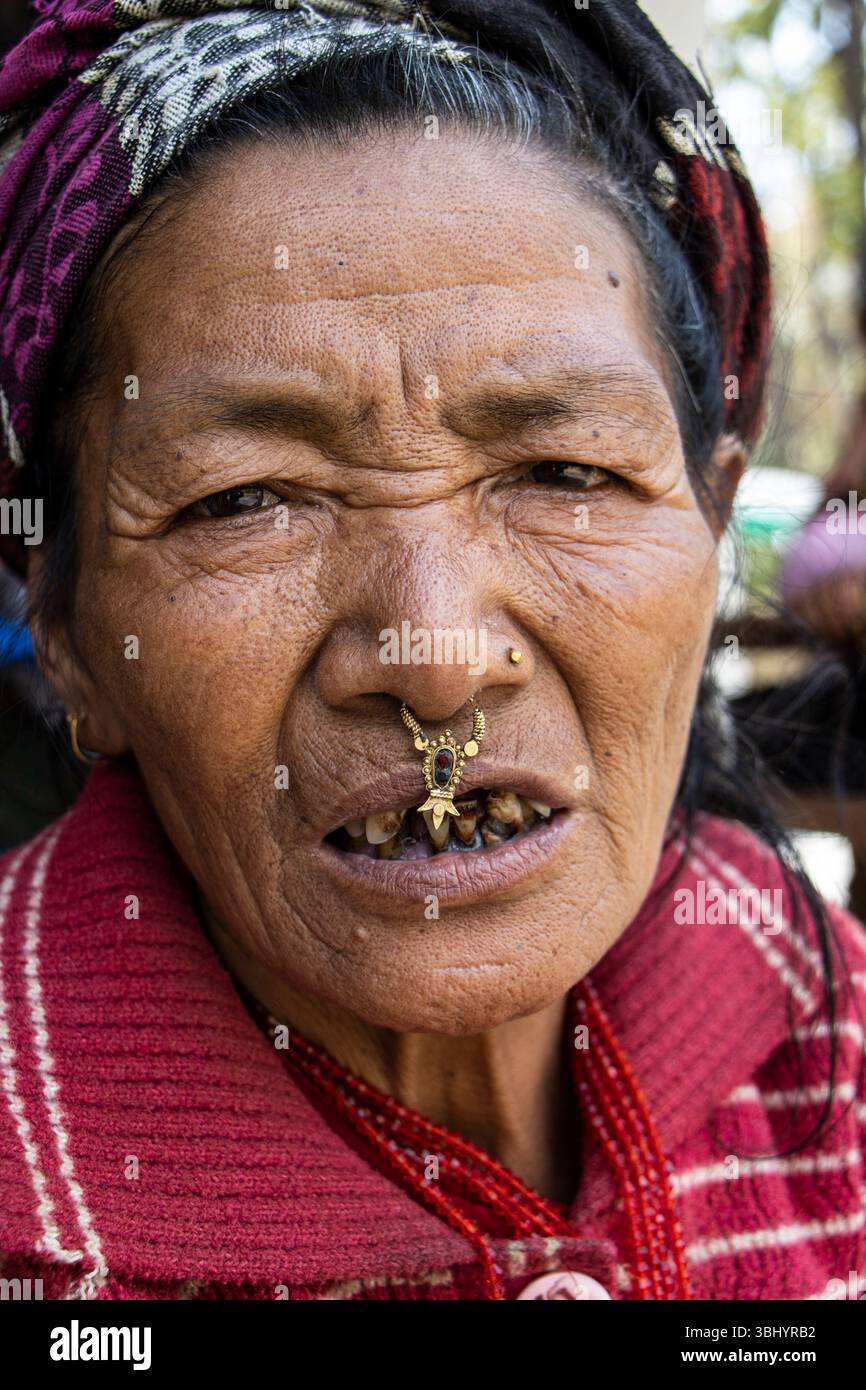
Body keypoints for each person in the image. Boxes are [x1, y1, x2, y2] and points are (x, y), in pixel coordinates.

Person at [0, 0, 863, 1303]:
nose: (438, 653)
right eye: (245, 497)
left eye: (566, 470)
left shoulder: (827, 1017)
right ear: (68, 630)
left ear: (709, 520)